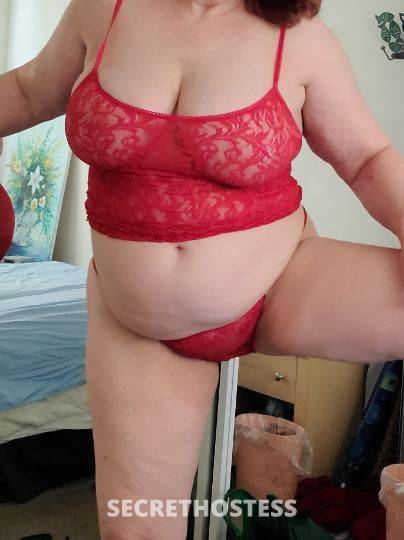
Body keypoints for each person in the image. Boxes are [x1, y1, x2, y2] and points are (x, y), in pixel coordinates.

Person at [1, 0, 403, 538]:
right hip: (140, 326)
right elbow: (28, 90)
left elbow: (367, 158)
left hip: (283, 279)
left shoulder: (301, 39)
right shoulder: (101, 10)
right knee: (135, 531)